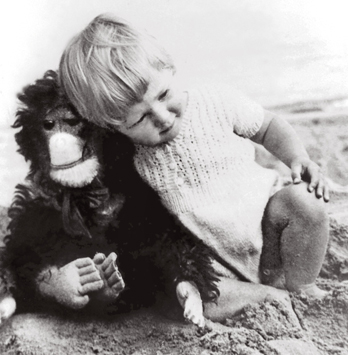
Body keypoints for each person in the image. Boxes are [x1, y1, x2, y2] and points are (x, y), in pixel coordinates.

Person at [59, 13, 330, 325]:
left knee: (304, 203)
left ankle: (301, 285)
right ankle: (267, 296)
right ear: (112, 125)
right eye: (139, 119)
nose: (161, 116)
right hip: (213, 262)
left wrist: (298, 158)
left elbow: (267, 126)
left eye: (163, 95)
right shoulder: (127, 158)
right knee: (196, 290)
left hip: (269, 230)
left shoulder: (214, 101)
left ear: (169, 69)